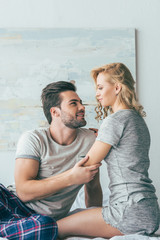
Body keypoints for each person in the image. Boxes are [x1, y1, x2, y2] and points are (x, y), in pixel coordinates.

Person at [57, 63, 160, 239]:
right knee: (74, 215)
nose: (97, 93)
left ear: (117, 87)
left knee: (56, 227)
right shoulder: (135, 119)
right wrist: (102, 139)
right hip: (147, 208)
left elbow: (87, 165)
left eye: (100, 87)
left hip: (128, 211)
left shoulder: (115, 120)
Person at [0, 81, 102, 239]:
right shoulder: (34, 138)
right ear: (55, 112)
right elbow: (24, 191)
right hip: (11, 203)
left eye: (81, 103)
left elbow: (93, 188)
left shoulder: (91, 140)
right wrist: (71, 177)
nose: (82, 107)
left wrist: (95, 218)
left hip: (39, 221)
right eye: (73, 103)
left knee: (45, 227)